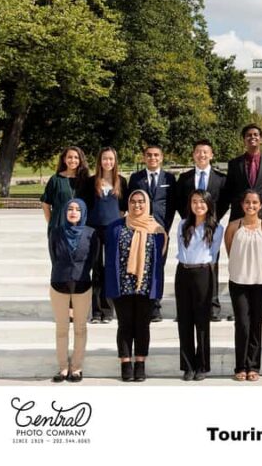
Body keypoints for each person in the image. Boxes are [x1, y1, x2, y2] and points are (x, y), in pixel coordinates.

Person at [105, 190, 167, 382]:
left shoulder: (157, 230)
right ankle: (125, 362)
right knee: (124, 325)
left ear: (147, 204)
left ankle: (140, 362)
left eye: (141, 202)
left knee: (142, 326)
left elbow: (159, 261)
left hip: (146, 285)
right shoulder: (116, 227)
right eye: (133, 202)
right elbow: (109, 258)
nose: (137, 205)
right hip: (122, 285)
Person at [225, 190, 262, 382]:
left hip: (261, 282)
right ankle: (240, 366)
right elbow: (230, 250)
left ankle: (253, 366)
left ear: (261, 205)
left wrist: (257, 269)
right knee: (242, 324)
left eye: (255, 202)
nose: (251, 205)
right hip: (238, 281)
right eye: (247, 202)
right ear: (242, 204)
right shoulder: (233, 226)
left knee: (256, 324)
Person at [175, 139, 229, 322]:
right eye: (198, 151)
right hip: (190, 227)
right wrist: (191, 220)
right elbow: (179, 201)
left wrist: (211, 221)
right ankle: (189, 305)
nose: (202, 155)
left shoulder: (221, 179)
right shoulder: (185, 179)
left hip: (211, 228)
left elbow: (224, 202)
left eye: (205, 152)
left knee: (211, 265)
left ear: (211, 155)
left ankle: (212, 306)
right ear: (194, 154)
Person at [48, 199, 100, 382]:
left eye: (78, 209)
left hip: (82, 284)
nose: (73, 212)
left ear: (83, 213)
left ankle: (76, 368)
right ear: (65, 212)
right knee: (61, 328)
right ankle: (62, 367)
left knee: (80, 328)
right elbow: (53, 256)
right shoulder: (56, 232)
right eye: (70, 208)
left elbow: (93, 259)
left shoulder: (91, 234)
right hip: (59, 284)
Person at [175, 190, 224, 381]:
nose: (198, 206)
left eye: (202, 202)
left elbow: (213, 253)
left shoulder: (216, 228)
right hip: (183, 272)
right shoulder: (182, 225)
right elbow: (181, 249)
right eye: (194, 202)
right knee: (185, 321)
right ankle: (188, 366)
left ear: (209, 205)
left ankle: (202, 365)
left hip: (203, 272)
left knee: (202, 322)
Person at [127, 144, 176, 323]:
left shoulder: (169, 178)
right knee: (140, 267)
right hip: (139, 231)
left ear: (161, 157)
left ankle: (155, 306)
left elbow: (171, 206)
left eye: (156, 155)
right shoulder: (136, 178)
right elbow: (131, 203)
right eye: (149, 155)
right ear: (144, 158)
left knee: (157, 270)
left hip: (160, 232)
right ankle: (141, 304)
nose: (152, 158)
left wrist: (165, 228)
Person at [85, 146, 128, 324]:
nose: (108, 162)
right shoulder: (90, 182)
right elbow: (84, 206)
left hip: (113, 231)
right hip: (94, 230)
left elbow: (124, 208)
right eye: (104, 159)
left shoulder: (122, 182)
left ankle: (108, 310)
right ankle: (96, 311)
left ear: (115, 161)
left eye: (111, 159)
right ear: (99, 161)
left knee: (111, 269)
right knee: (96, 270)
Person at [224, 124, 262, 226]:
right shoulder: (234, 164)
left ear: (261, 139)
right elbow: (229, 190)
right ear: (244, 139)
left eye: (256, 134)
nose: (252, 137)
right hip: (240, 214)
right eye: (248, 135)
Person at [41, 146, 91, 234]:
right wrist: (52, 223)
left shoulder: (86, 181)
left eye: (76, 157)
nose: (73, 160)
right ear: (64, 159)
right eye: (69, 157)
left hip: (81, 227)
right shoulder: (55, 179)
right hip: (59, 226)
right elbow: (46, 204)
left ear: (80, 160)